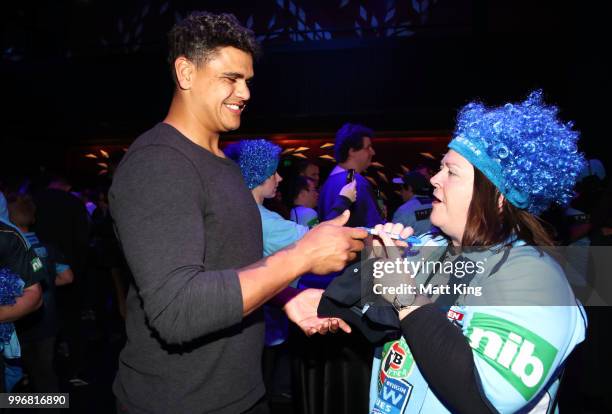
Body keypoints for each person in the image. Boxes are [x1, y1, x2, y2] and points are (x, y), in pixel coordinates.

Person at [109, 12, 366, 414]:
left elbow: (232, 263)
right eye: (230, 78)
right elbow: (177, 311)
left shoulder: (226, 166)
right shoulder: (158, 164)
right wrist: (301, 256)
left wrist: (285, 299)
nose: (244, 93)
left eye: (247, 80)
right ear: (186, 72)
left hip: (242, 395)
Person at [322, 91, 587, 413]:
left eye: (452, 172)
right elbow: (351, 310)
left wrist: (403, 293)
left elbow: (482, 397)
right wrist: (377, 260)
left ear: (498, 196)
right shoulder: (431, 248)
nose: (434, 179)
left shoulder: (534, 277)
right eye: (440, 169)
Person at [8, 194, 73, 394]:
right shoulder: (47, 247)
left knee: (17, 377)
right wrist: (42, 285)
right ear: (33, 219)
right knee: (45, 374)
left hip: (18, 324)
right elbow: (67, 277)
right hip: (48, 321)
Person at [318, 123, 383, 227]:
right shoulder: (356, 181)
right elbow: (374, 227)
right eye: (368, 147)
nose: (373, 152)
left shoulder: (328, 183)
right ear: (352, 151)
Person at [392, 171, 435, 236]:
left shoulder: (403, 210)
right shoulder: (436, 205)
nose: (401, 192)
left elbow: (394, 237)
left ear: (409, 188)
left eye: (401, 188)